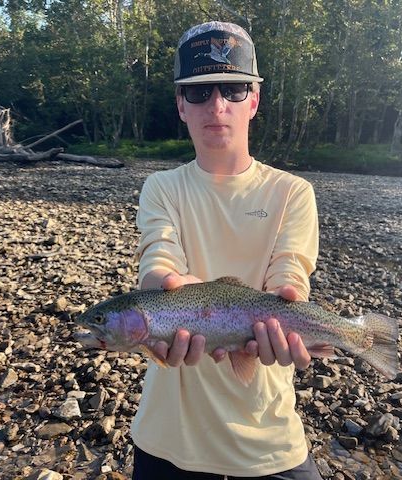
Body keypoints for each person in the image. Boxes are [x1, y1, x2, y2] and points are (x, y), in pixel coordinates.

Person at [131, 21, 323, 480]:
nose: (216, 105)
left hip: (269, 442)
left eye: (233, 90)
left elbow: (289, 274)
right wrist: (164, 283)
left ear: (253, 101)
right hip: (168, 443)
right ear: (181, 105)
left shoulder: (293, 192)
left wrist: (291, 303)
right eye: (199, 93)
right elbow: (157, 257)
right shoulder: (162, 188)